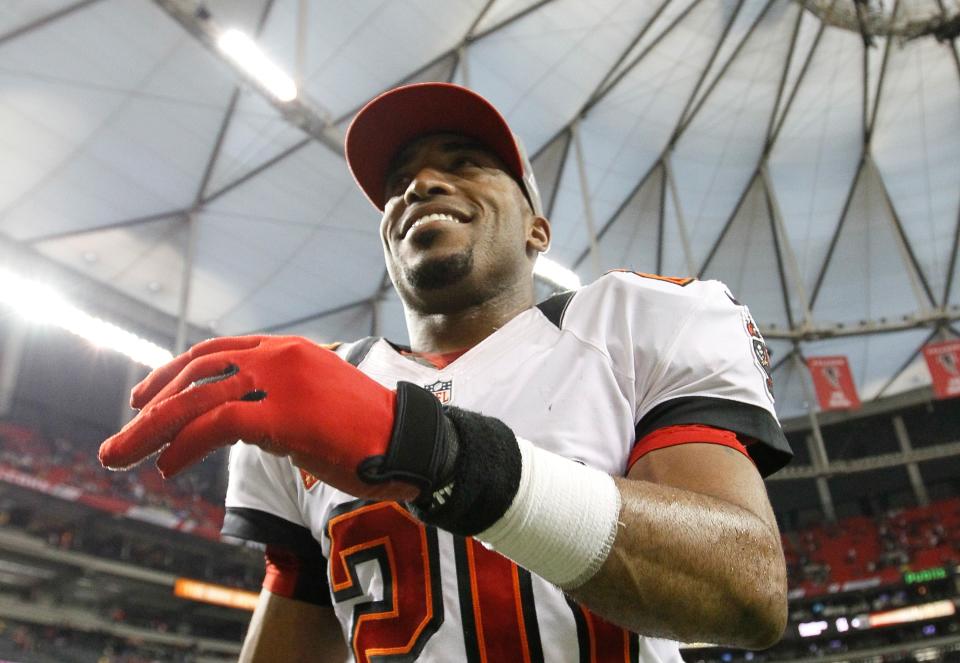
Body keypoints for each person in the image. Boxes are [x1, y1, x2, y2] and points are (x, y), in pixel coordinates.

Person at [100, 82, 793, 662]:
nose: (421, 184)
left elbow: (748, 590)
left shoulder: (633, 321)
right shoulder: (312, 388)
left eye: (464, 163)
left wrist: (437, 451)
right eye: (398, 184)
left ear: (535, 228)